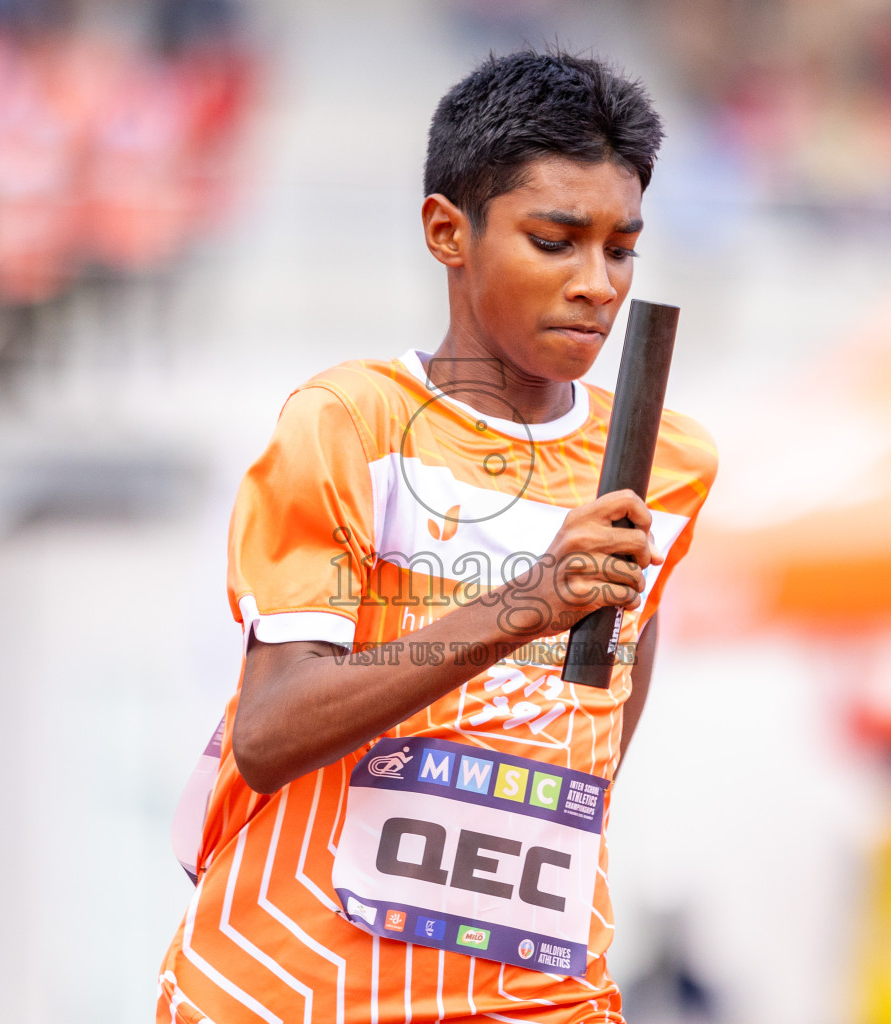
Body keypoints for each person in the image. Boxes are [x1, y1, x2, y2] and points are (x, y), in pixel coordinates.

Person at [157, 48, 718, 1024]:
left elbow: (597, 735)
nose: (598, 283)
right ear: (447, 232)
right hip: (295, 982)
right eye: (556, 240)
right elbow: (271, 726)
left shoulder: (667, 460)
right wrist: (526, 607)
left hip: (537, 994)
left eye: (621, 248)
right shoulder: (349, 422)